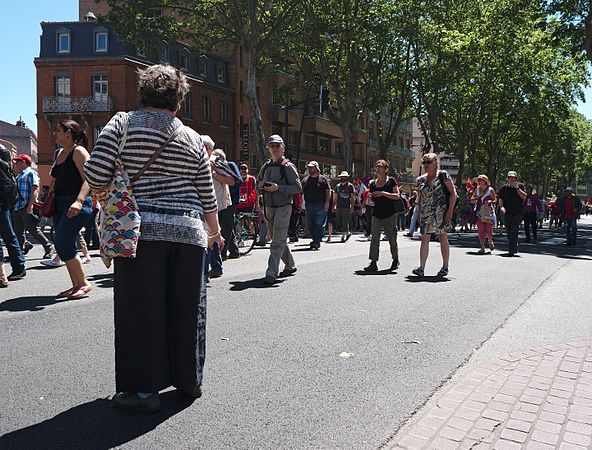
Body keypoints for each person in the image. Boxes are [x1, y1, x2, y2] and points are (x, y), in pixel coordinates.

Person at [84, 64, 222, 412]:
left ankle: (144, 392)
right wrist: (216, 233)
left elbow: (96, 172)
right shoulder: (192, 137)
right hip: (190, 235)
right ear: (178, 100)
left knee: (141, 311)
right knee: (189, 309)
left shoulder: (122, 124)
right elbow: (207, 194)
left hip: (139, 233)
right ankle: (189, 381)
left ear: (142, 93)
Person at [50, 120, 94, 299]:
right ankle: (76, 285)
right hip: (59, 204)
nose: (55, 134)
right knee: (62, 244)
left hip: (76, 203)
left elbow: (89, 178)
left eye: (58, 131)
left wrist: (79, 200)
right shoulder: (59, 153)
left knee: (62, 241)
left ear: (69, 133)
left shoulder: (79, 151)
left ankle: (83, 283)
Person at [256, 134, 302, 286]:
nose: (275, 148)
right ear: (268, 148)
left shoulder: (287, 166)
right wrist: (261, 186)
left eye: (277, 145)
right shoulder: (266, 166)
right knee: (279, 239)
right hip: (269, 208)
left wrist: (278, 188)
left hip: (284, 207)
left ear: (283, 148)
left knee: (276, 241)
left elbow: (297, 188)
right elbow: (257, 185)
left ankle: (271, 273)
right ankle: (290, 265)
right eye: (272, 146)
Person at [412, 153, 457, 277]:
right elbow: (421, 197)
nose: (426, 165)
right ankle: (421, 267)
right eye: (424, 162)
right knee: (424, 239)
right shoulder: (421, 179)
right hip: (426, 212)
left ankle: (445, 266)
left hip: (441, 212)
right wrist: (419, 213)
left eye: (429, 162)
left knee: (443, 238)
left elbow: (453, 193)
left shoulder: (443, 175)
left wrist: (450, 211)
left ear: (435, 163)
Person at [11, 154, 55, 267]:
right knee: (18, 232)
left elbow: (35, 188)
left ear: (24, 162)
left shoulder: (30, 172)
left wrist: (30, 205)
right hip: (18, 206)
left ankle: (48, 247)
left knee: (33, 229)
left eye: (18, 161)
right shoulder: (19, 174)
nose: (16, 163)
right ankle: (19, 252)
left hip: (25, 205)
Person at [363, 159, 400, 272]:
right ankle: (373, 262)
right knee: (375, 239)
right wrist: (371, 197)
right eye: (376, 166)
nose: (378, 168)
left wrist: (383, 193)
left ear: (386, 169)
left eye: (381, 166)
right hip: (377, 214)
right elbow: (374, 200)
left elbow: (397, 196)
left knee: (392, 239)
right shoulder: (372, 183)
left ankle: (395, 258)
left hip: (390, 214)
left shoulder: (391, 181)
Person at [0, 145, 26, 285]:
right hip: (5, 202)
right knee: (9, 235)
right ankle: (19, 266)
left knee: (9, 235)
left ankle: (7, 272)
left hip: (2, 202)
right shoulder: (5, 160)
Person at [301, 161, 331, 250]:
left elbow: (328, 192)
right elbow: (301, 193)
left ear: (316, 168)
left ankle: (316, 242)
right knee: (310, 225)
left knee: (318, 224)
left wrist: (327, 203)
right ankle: (315, 240)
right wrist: (302, 204)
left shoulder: (323, 179)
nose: (310, 169)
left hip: (320, 204)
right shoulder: (305, 180)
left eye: (312, 167)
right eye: (309, 167)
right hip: (308, 204)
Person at [497, 171, 527, 256]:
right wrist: (501, 207)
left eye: (513, 178)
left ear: (516, 179)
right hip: (507, 213)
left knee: (514, 228)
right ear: (507, 179)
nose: (511, 180)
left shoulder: (520, 186)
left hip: (518, 213)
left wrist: (517, 188)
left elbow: (524, 197)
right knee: (509, 231)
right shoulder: (504, 188)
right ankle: (514, 243)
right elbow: (500, 199)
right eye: (510, 178)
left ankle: (512, 250)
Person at [471, 175, 496, 254]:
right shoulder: (477, 190)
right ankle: (482, 248)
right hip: (479, 212)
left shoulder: (490, 190)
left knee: (488, 229)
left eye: (481, 180)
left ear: (485, 181)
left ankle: (490, 240)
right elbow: (471, 200)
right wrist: (477, 197)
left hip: (488, 212)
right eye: (479, 180)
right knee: (480, 230)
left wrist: (490, 202)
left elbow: (495, 200)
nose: (480, 182)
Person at [334, 171, 355, 242]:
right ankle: (348, 232)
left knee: (345, 221)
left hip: (347, 206)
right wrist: (334, 206)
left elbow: (352, 197)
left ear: (347, 177)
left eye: (344, 177)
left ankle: (343, 235)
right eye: (342, 177)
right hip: (339, 206)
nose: (343, 178)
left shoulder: (350, 186)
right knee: (339, 220)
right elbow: (335, 196)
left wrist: (352, 206)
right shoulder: (338, 186)